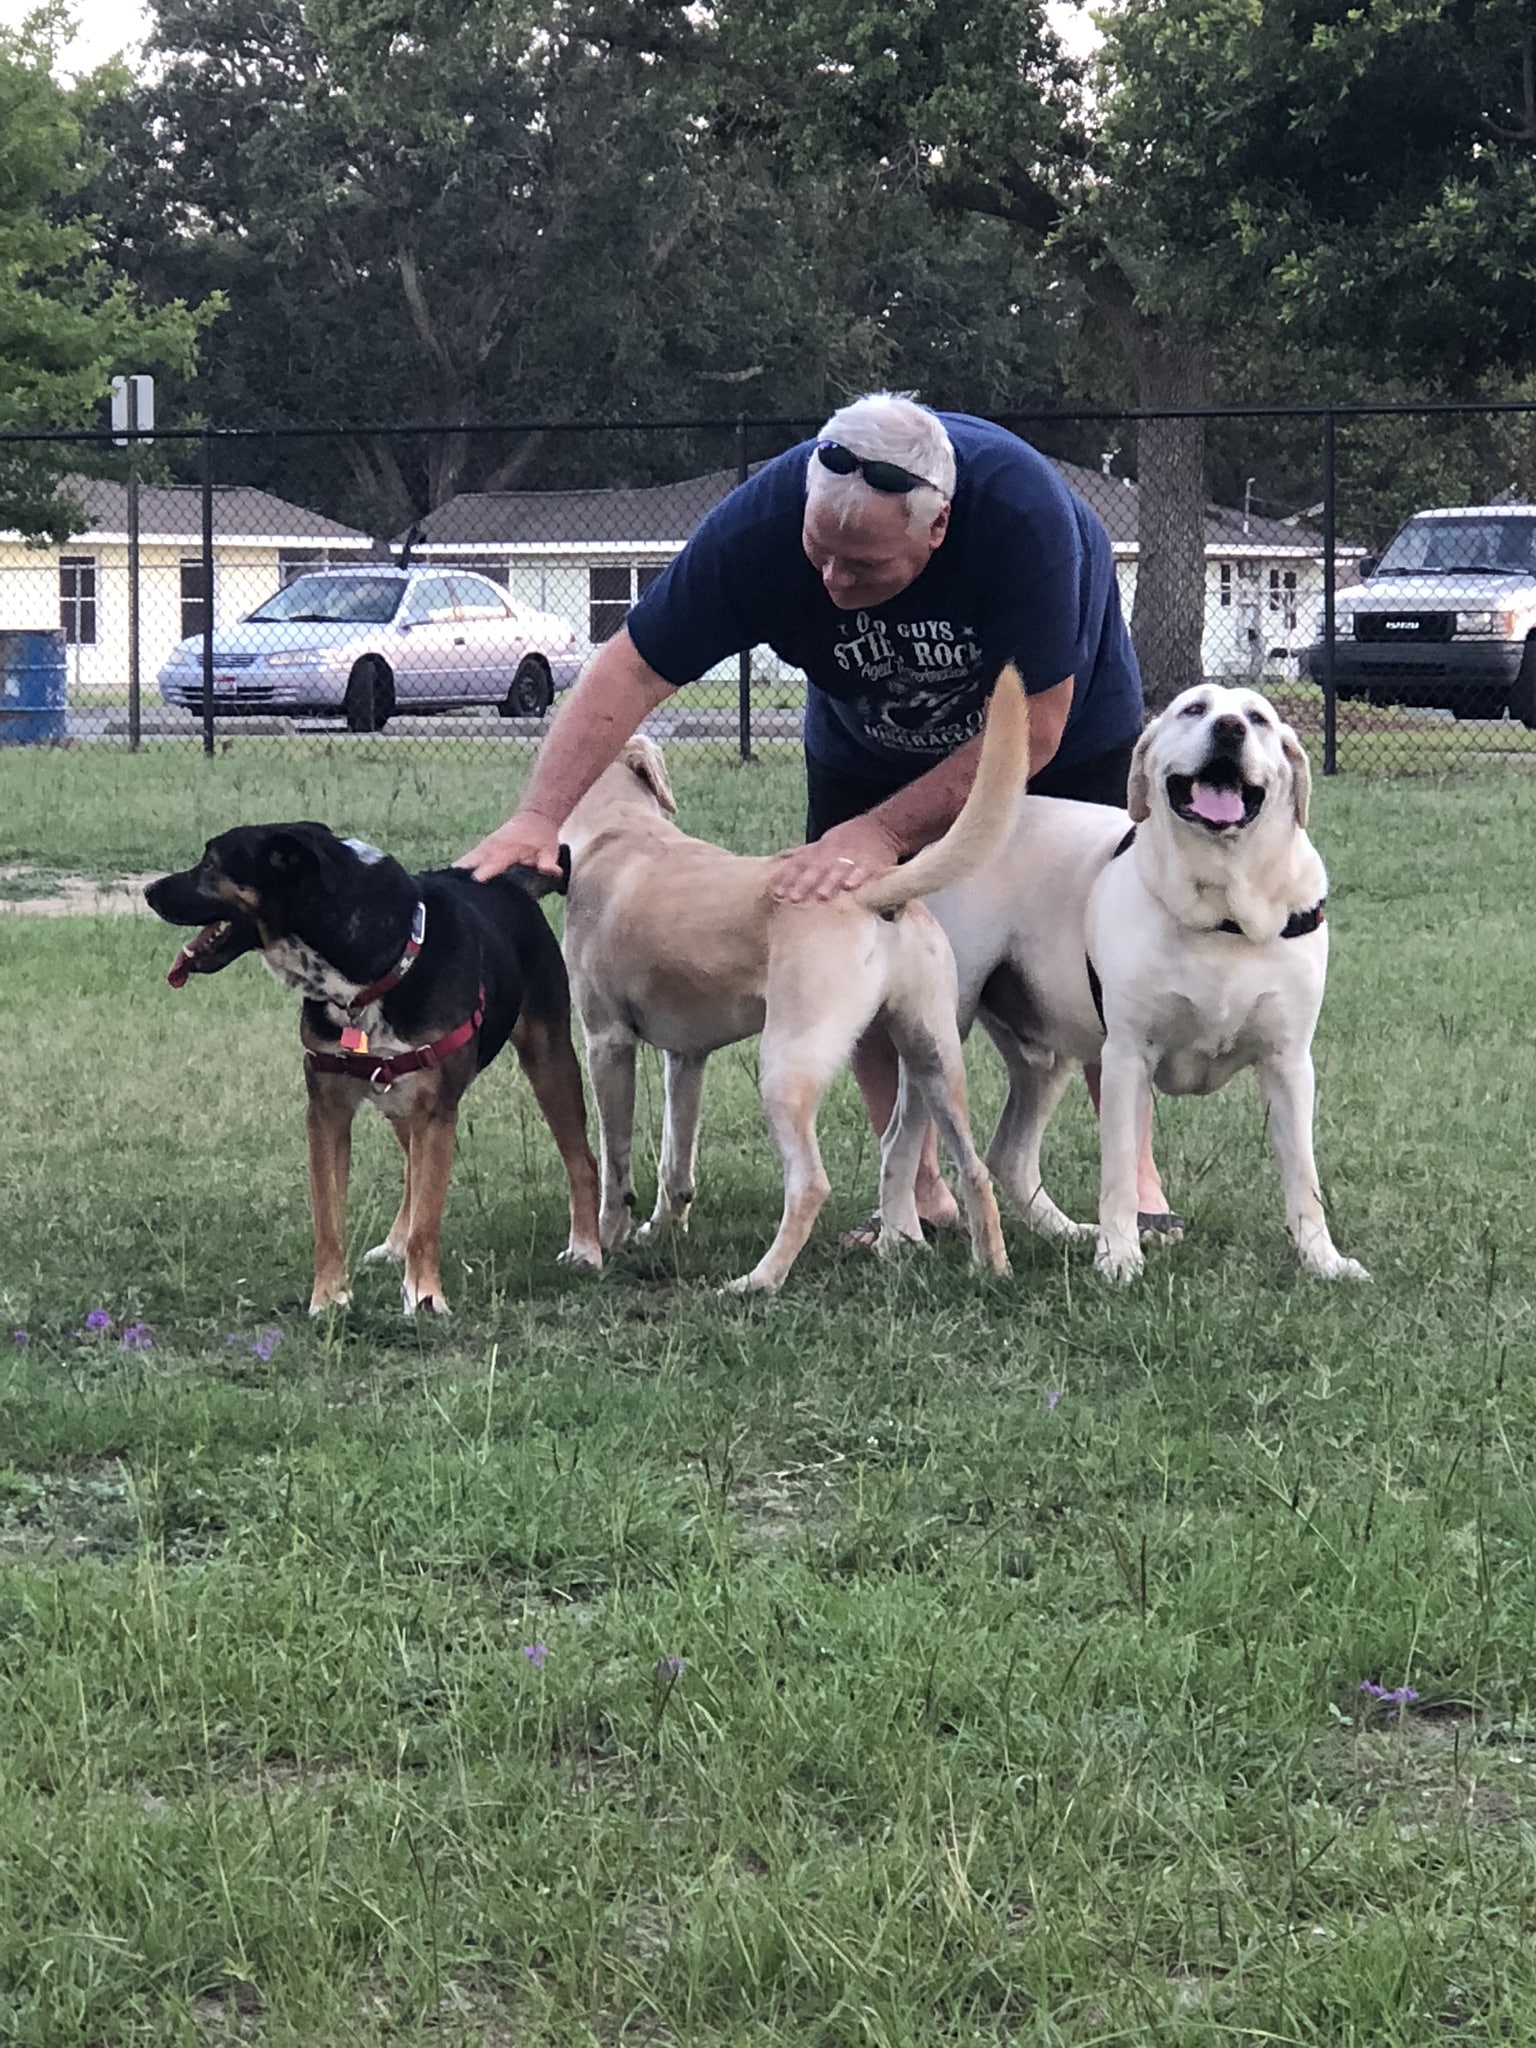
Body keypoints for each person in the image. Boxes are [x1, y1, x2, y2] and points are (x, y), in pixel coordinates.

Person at [460, 392, 1175, 1232]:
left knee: (1092, 942)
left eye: (863, 565)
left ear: (935, 528)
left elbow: (1036, 729)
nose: (833, 580)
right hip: (866, 729)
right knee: (848, 921)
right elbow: (629, 672)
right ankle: (915, 1192)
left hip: (1057, 721)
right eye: (819, 552)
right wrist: (539, 817)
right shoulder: (759, 531)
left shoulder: (1022, 520)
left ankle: (1133, 1180)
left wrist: (881, 830)